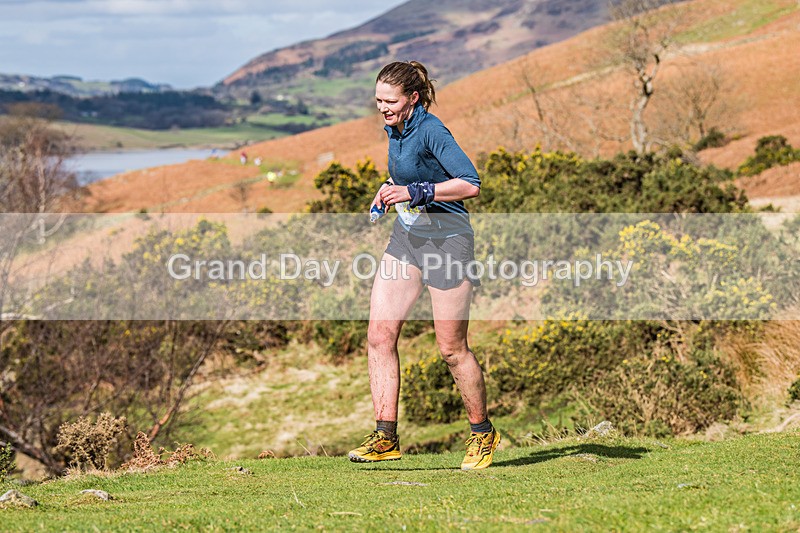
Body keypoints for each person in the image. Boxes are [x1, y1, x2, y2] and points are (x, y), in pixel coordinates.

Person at [348, 61, 500, 470]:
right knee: (380, 335)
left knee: (451, 349)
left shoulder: (432, 129)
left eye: (390, 100)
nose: (382, 107)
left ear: (413, 98)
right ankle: (385, 437)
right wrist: (388, 192)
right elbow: (409, 178)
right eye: (378, 100)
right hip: (407, 240)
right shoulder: (395, 130)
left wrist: (419, 190)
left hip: (448, 242)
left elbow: (470, 182)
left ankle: (483, 434)